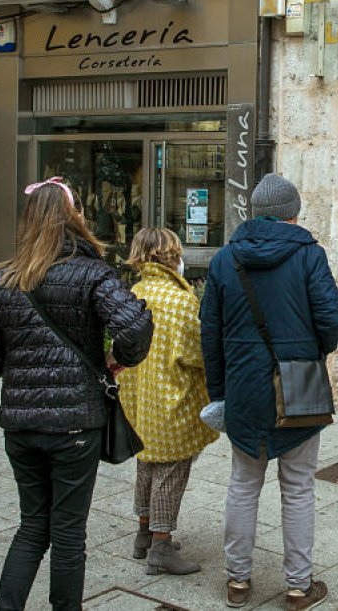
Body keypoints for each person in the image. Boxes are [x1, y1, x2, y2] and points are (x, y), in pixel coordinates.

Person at [0, 177, 153, 611]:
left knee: (31, 526)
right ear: (73, 218)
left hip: (22, 424)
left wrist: (17, 371)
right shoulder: (91, 272)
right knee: (67, 533)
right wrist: (117, 359)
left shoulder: (5, 279)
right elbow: (135, 327)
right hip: (74, 425)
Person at [200, 173, 338, 611]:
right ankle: (299, 587)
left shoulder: (226, 259)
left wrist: (219, 390)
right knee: (298, 486)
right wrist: (313, 352)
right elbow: (331, 318)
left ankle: (237, 582)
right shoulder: (309, 255)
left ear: (255, 214)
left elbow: (210, 331)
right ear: (293, 215)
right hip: (299, 384)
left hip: (244, 384)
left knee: (243, 483)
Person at [118, 227, 218, 575]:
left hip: (140, 396)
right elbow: (196, 353)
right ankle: (161, 545)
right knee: (171, 468)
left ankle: (143, 535)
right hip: (172, 396)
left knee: (146, 462)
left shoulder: (136, 292)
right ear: (170, 255)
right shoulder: (179, 300)